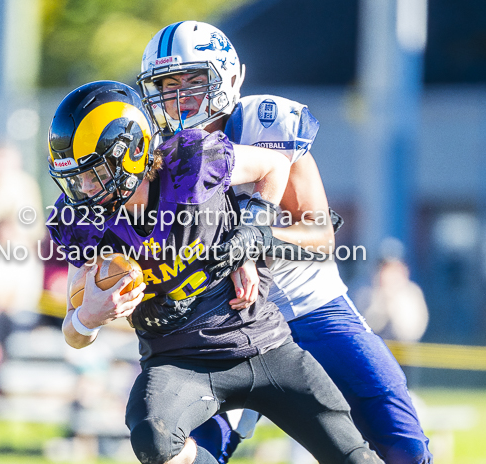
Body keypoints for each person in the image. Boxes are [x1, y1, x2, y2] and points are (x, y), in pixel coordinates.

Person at [137, 21, 432, 464]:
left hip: (309, 306)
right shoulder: (152, 153)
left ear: (229, 77)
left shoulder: (264, 124)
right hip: (225, 323)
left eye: (194, 79)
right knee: (183, 447)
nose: (180, 95)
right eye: (167, 83)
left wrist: (254, 239)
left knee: (401, 443)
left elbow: (320, 237)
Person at [47, 80, 382, 464]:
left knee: (355, 457)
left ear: (133, 151)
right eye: (76, 178)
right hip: (177, 360)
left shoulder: (192, 159)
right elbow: (74, 331)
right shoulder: (82, 220)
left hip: (263, 343)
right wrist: (89, 317)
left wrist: (250, 238)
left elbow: (274, 165)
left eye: (95, 174)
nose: (84, 189)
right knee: (154, 439)